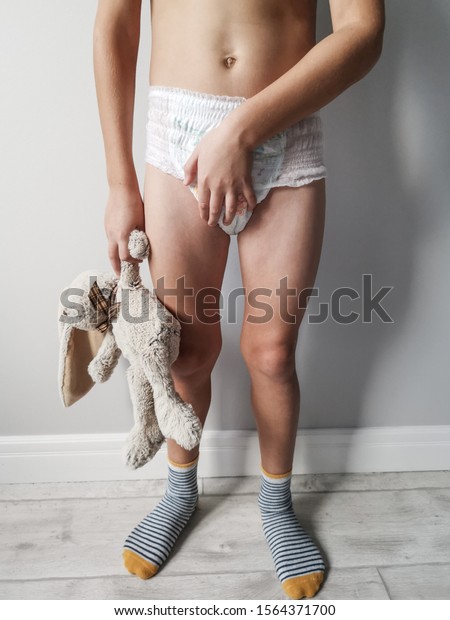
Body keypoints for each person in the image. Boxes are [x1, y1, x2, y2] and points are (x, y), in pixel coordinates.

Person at [93, 0, 385, 600]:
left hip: (285, 134)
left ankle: (277, 503)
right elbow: (115, 26)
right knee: (185, 350)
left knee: (273, 353)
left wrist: (241, 129)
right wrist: (121, 183)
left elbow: (364, 32)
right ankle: (179, 491)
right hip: (178, 139)